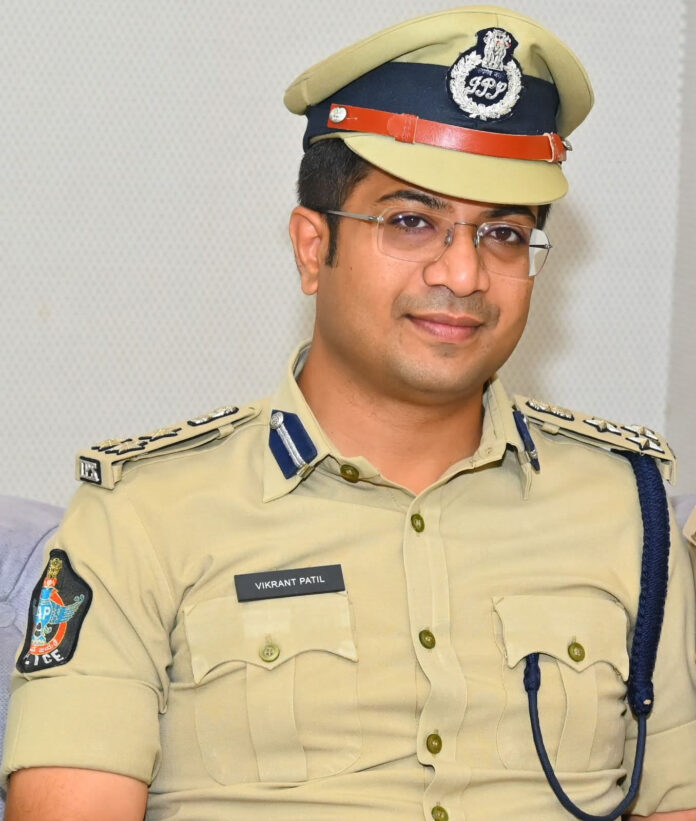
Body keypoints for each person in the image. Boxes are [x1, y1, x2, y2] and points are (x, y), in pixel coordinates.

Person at [2, 5, 696, 820]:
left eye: (504, 235)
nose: (464, 274)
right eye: (411, 222)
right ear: (312, 246)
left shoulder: (629, 509)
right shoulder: (144, 513)